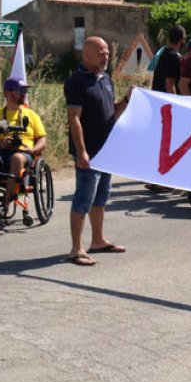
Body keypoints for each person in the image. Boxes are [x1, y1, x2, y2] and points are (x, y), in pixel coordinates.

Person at [64, 36, 126, 266]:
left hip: (106, 152)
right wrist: (81, 152)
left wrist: (128, 99)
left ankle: (98, 240)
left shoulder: (106, 79)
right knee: (83, 199)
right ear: (86, 54)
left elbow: (113, 111)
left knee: (100, 198)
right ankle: (76, 248)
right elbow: (74, 119)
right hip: (88, 152)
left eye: (107, 52)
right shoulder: (76, 81)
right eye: (101, 52)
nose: (106, 56)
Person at [0, 78, 47, 204]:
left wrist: (33, 149)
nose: (24, 93)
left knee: (17, 158)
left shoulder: (31, 115)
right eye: (20, 90)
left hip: (23, 153)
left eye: (25, 90)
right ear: (8, 93)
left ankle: (6, 202)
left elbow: (42, 139)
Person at [151, 24, 186, 94]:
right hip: (165, 99)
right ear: (182, 40)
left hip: (158, 96)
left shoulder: (163, 53)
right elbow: (169, 85)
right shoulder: (173, 57)